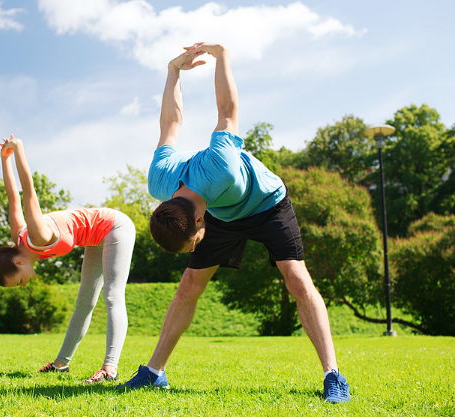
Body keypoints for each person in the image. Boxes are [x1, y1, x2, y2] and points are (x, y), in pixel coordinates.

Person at [118, 42, 350, 403]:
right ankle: (153, 373)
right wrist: (172, 71)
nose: (194, 246)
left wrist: (222, 54)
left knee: (297, 278)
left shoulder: (220, 166)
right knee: (188, 284)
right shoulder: (160, 181)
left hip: (267, 204)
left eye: (193, 242)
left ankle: (333, 376)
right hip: (222, 213)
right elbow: (170, 123)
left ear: (198, 221)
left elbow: (227, 109)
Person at [0, 135, 135, 384]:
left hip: (114, 227)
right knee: (84, 302)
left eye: (19, 282)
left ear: (18, 263)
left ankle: (110, 369)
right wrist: (4, 160)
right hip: (95, 239)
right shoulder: (19, 238)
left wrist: (19, 149)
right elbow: (11, 196)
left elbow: (26, 192)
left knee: (112, 295)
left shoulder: (37, 234)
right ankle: (61, 365)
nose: (25, 284)